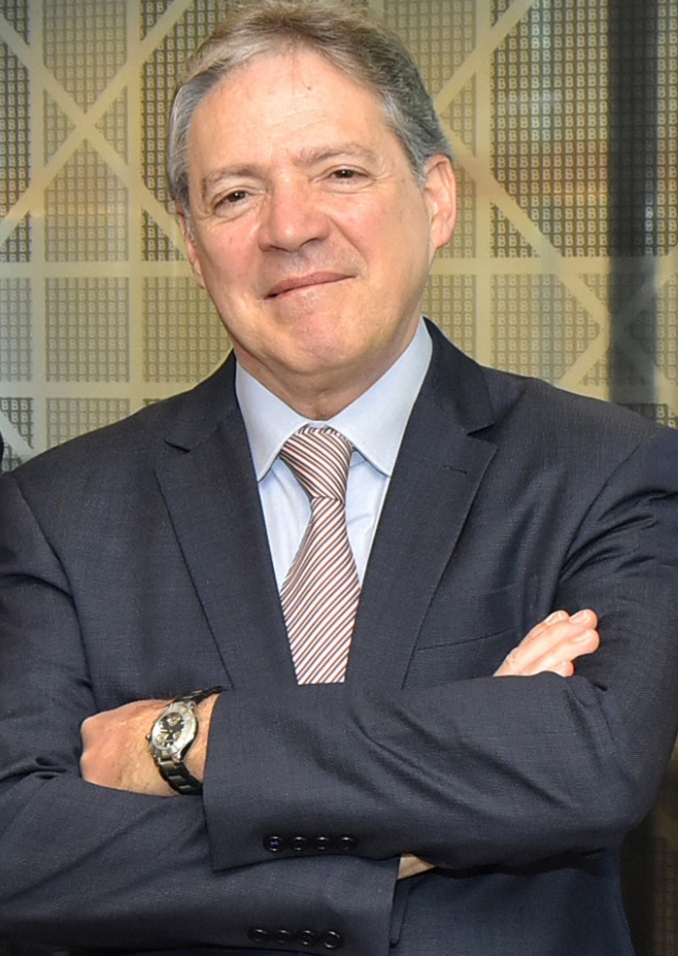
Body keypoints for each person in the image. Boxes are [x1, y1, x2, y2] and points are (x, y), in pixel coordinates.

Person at [0, 2, 677, 953]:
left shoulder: (608, 471)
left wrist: (191, 741)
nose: (290, 227)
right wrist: (419, 819)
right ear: (192, 244)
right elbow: (20, 847)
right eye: (236, 195)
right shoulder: (58, 514)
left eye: (340, 173)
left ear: (435, 198)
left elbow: (590, 765)